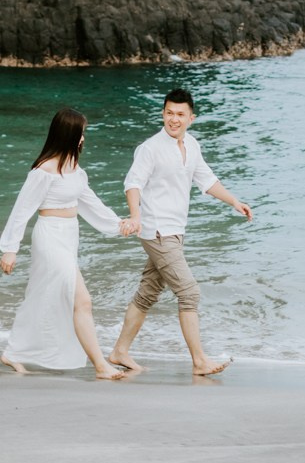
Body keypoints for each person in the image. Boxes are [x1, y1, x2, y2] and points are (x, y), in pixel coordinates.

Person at [108, 86, 252, 377]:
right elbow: (132, 183)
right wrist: (136, 216)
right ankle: (199, 361)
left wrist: (234, 201)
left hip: (175, 231)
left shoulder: (192, 146)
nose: (174, 119)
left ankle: (119, 350)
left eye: (180, 115)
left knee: (148, 292)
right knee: (189, 292)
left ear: (191, 118)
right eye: (169, 113)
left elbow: (206, 179)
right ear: (163, 114)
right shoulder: (150, 149)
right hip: (156, 229)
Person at [0, 106, 132, 379]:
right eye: (81, 133)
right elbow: (22, 209)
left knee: (42, 296)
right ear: (69, 135)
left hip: (69, 236)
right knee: (82, 300)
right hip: (49, 236)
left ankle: (13, 352)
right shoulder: (44, 170)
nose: (84, 138)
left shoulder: (74, 169)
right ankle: (100, 365)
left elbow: (89, 202)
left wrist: (118, 224)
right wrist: (10, 249)